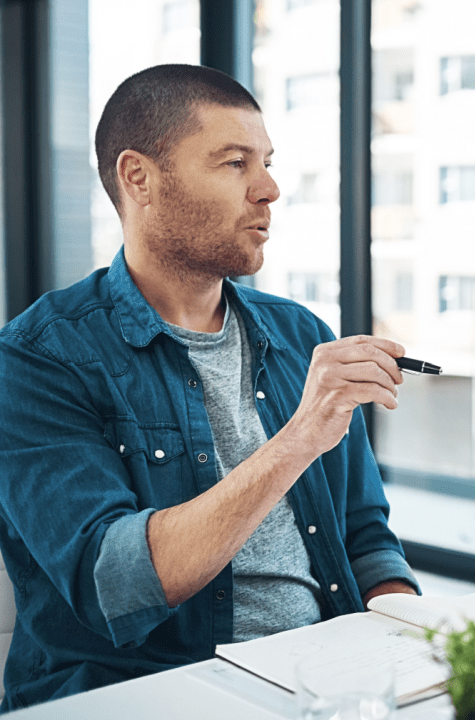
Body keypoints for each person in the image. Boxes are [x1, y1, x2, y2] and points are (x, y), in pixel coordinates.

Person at [0, 64, 420, 710]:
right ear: (138, 178)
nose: (271, 189)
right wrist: (297, 439)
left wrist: (412, 642)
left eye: (268, 163)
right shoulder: (37, 360)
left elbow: (366, 538)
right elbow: (112, 583)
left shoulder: (302, 334)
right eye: (234, 164)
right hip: (141, 694)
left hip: (317, 682)